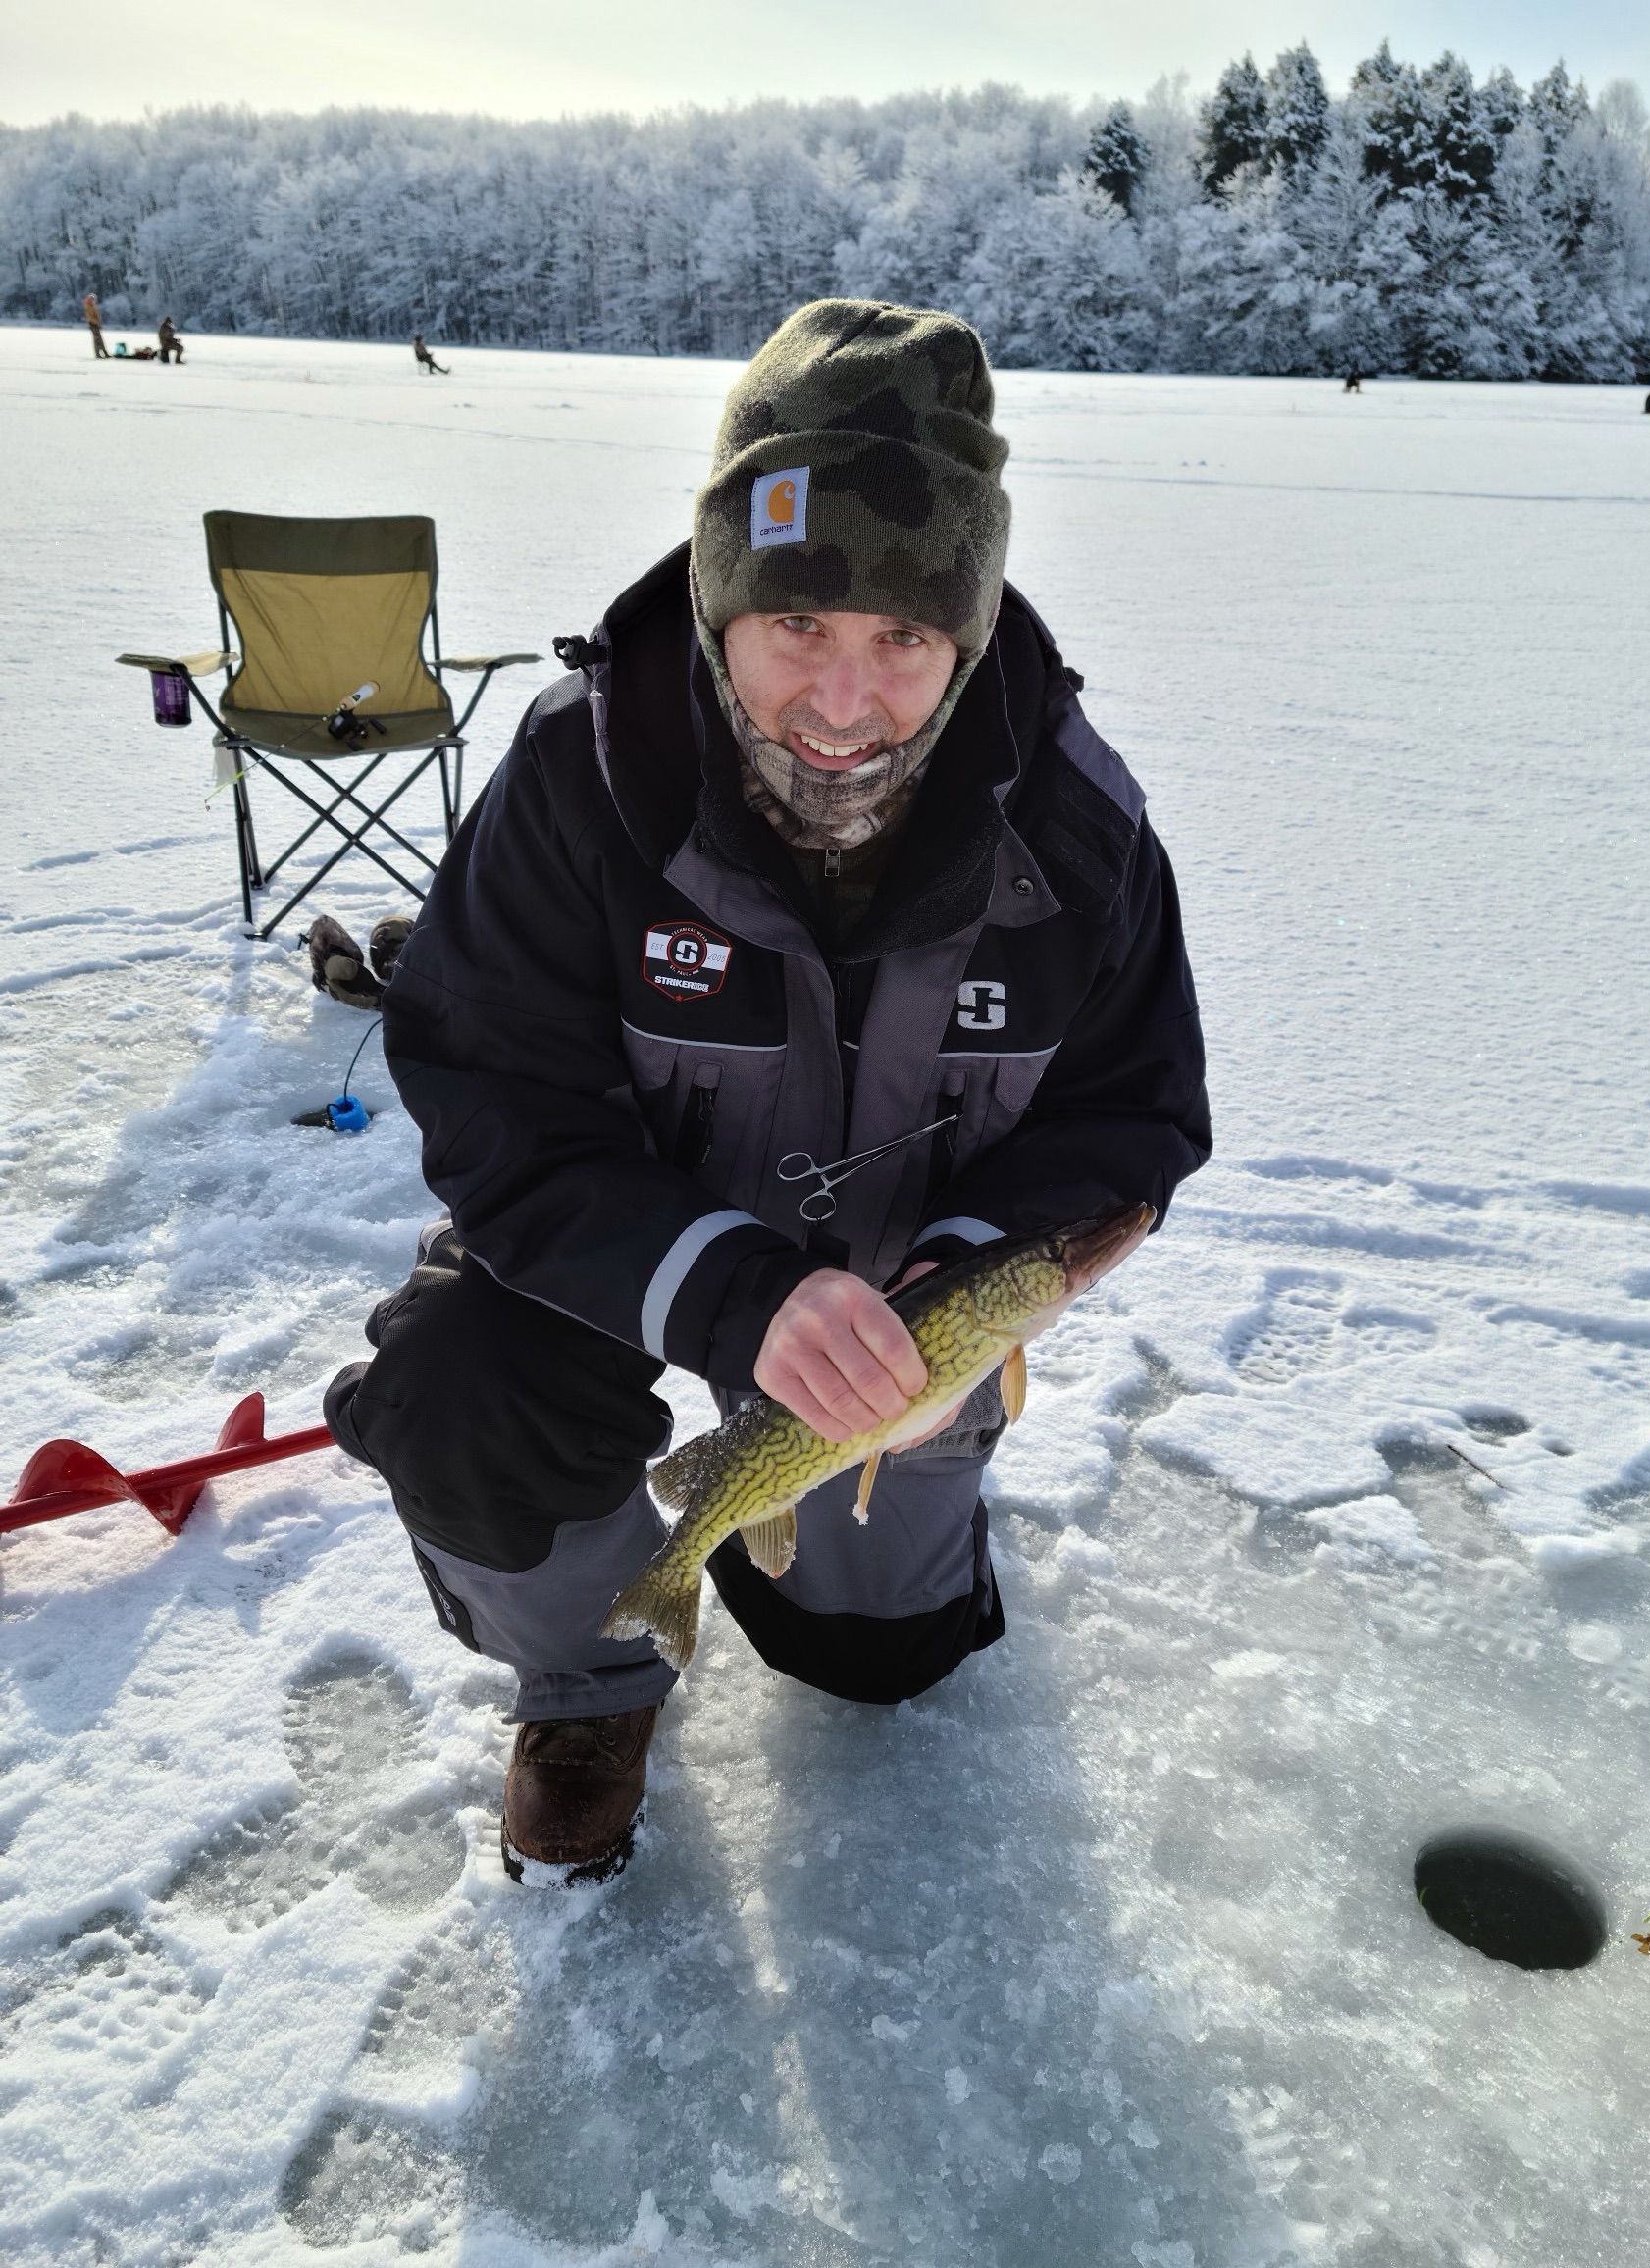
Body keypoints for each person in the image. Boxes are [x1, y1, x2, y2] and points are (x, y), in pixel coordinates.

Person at [324, 299, 1211, 1886]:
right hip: (627, 1259)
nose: (845, 694)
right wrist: (727, 1295)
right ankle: (589, 1683)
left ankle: (862, 1547)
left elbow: (1132, 1112)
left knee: (875, 1662)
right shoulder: (577, 784)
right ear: (721, 595)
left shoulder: (1071, 831)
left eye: (904, 637)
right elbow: (495, 1097)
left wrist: (956, 1281)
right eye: (796, 622)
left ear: (965, 629)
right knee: (453, 1388)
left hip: (904, 1299)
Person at [83, 292, 109, 359]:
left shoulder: (93, 306)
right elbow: (90, 318)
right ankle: (98, 354)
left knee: (100, 340)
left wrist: (99, 322)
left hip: (96, 324)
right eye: (92, 299)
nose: (94, 300)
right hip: (93, 325)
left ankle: (105, 353)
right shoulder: (88, 307)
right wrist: (97, 322)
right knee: (96, 340)